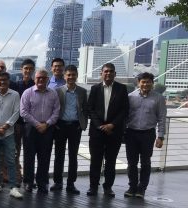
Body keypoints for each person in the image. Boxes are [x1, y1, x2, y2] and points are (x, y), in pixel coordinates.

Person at [86, 63, 129, 197]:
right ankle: (93, 187)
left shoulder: (122, 89)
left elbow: (124, 110)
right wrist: (100, 126)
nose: (108, 74)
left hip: (114, 132)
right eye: (106, 71)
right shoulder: (94, 88)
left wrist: (112, 125)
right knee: (95, 161)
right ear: (101, 73)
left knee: (111, 161)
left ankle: (108, 187)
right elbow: (90, 110)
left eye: (111, 71)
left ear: (115, 74)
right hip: (97, 132)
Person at [124, 72, 166, 199]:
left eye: (148, 82)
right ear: (138, 83)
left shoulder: (159, 98)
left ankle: (141, 188)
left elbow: (162, 118)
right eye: (143, 82)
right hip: (131, 133)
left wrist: (160, 136)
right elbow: (125, 116)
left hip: (148, 134)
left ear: (152, 83)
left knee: (146, 162)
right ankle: (132, 187)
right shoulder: (130, 97)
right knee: (131, 163)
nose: (145, 84)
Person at [20, 68, 60, 194]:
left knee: (45, 157)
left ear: (48, 79)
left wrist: (46, 124)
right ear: (34, 79)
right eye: (38, 78)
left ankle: (42, 182)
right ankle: (28, 182)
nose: (41, 80)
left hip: (47, 128)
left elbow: (56, 112)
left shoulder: (53, 93)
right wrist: (38, 124)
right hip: (31, 128)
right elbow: (23, 112)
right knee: (29, 157)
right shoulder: (28, 92)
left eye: (44, 78)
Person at [51, 65, 88, 194]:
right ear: (65, 76)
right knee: (59, 155)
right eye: (69, 75)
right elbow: (54, 109)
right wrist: (55, 124)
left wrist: (82, 124)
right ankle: (58, 182)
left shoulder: (82, 92)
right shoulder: (58, 91)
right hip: (60, 126)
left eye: (73, 75)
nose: (71, 77)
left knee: (73, 156)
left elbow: (86, 109)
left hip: (75, 127)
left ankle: (71, 183)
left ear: (77, 75)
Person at [0, 72, 23, 199]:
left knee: (11, 160)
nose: (2, 82)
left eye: (5, 80)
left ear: (9, 81)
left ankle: (13, 187)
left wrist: (6, 126)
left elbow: (17, 112)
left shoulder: (15, 95)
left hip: (8, 133)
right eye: (0, 80)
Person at [13, 59, 36, 185]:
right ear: (21, 69)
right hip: (16, 124)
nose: (28, 71)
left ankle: (28, 179)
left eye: (30, 68)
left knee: (29, 152)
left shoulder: (36, 85)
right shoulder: (16, 85)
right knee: (15, 151)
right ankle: (17, 177)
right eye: (25, 68)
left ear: (33, 70)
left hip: (30, 124)